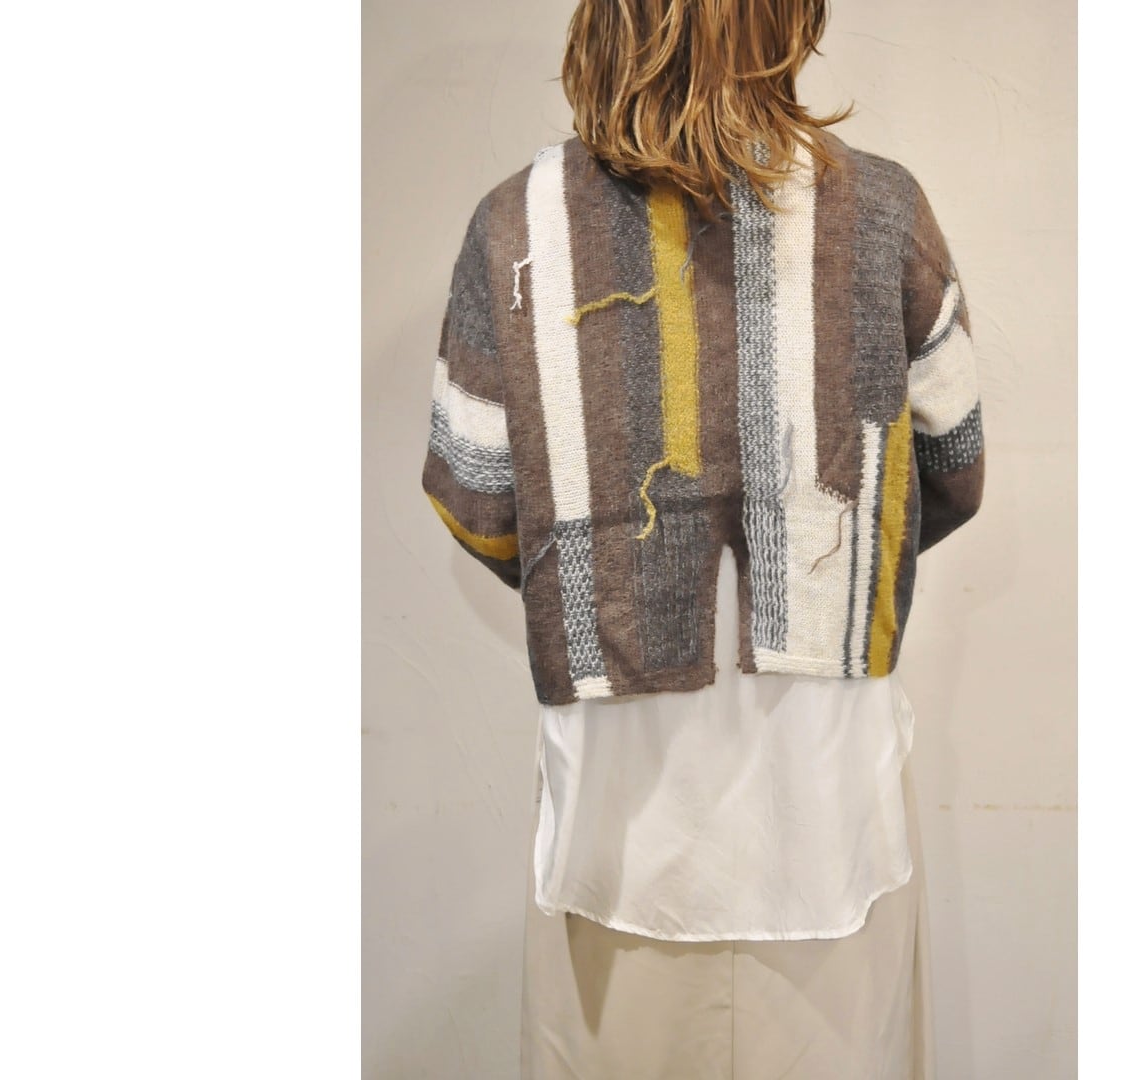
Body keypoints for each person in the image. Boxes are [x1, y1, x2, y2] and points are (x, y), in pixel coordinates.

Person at [420, 1, 986, 1075]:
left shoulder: (514, 225)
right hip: (828, 817)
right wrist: (827, 585)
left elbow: (481, 505)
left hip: (617, 826)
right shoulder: (884, 213)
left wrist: (604, 597)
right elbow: (950, 468)